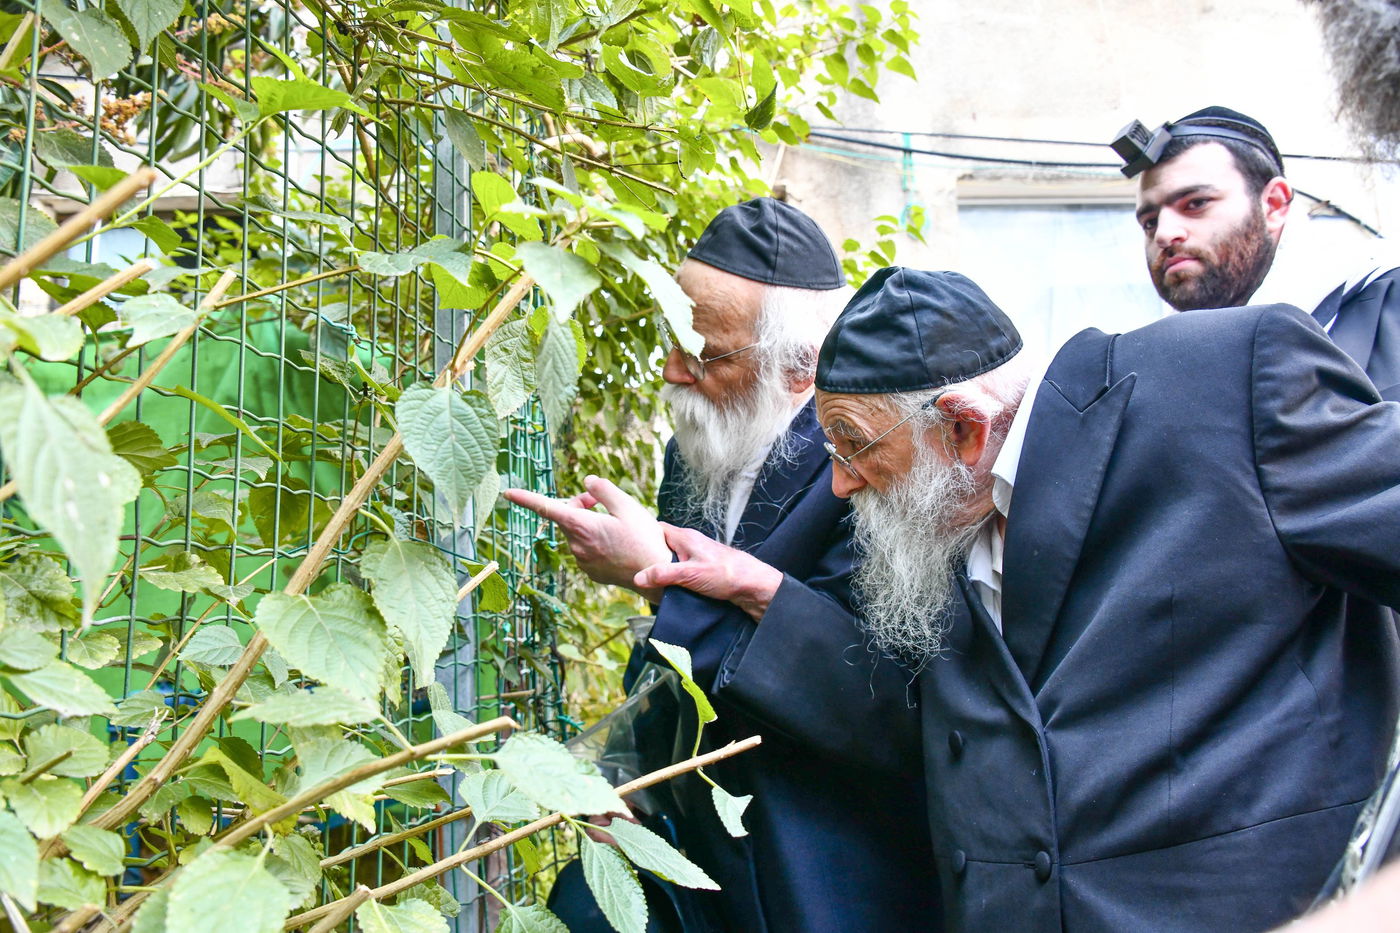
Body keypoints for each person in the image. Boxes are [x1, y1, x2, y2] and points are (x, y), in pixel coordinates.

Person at [655, 264, 1400, 931]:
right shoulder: (942, 516)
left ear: (963, 426)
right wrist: (758, 589)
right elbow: (922, 731)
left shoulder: (1223, 382)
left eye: (853, 444)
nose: (842, 483)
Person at [505, 200, 937, 932]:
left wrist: (654, 573)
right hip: (694, 839)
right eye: (672, 341)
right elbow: (671, 657)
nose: (674, 372)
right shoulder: (693, 449)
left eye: (706, 354)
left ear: (801, 366)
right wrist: (627, 779)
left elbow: (861, 692)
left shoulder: (867, 461)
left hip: (818, 858)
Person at [1116, 105, 1400, 399]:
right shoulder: (1154, 376)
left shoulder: (1385, 300)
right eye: (1149, 222)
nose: (1163, 233)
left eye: (1196, 203)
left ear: (1274, 205)